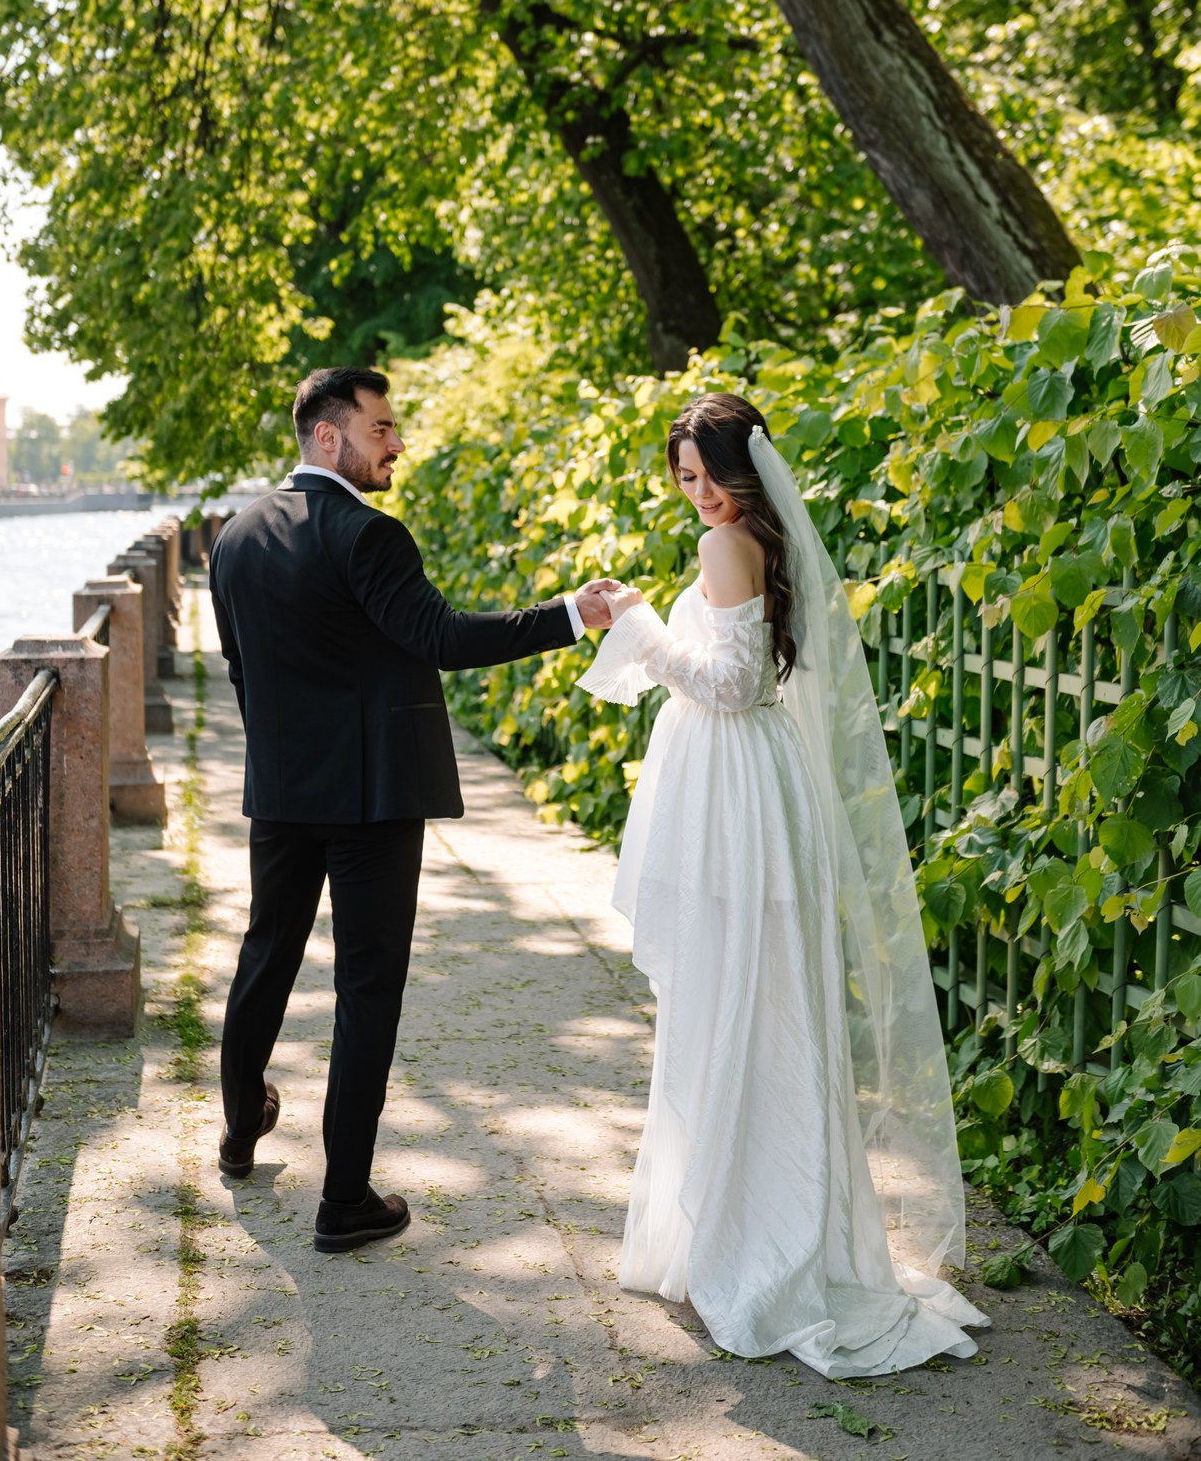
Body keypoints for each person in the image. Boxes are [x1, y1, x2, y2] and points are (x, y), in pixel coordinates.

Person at [576, 392, 987, 1377]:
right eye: (684, 476)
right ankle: (747, 1224)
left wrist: (634, 623)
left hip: (735, 807)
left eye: (712, 471)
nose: (701, 493)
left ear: (748, 470)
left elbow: (729, 685)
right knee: (756, 1009)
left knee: (738, 1009)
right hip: (752, 793)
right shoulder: (758, 540)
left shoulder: (728, 547)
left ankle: (747, 1242)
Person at [209, 366, 615, 1253]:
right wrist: (569, 617)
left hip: (281, 792)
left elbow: (241, 669)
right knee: (366, 987)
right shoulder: (370, 535)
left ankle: (240, 1132)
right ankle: (344, 1201)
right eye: (382, 427)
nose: (397, 443)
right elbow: (442, 637)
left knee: (265, 952)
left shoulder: (233, 537)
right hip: (373, 799)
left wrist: (286, 752)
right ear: (329, 436)